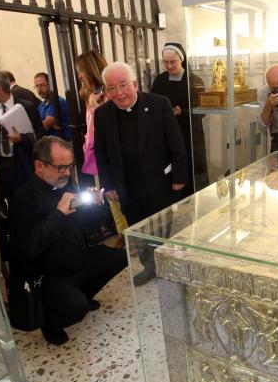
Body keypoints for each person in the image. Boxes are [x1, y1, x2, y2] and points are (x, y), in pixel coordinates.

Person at [9, 136, 127, 345]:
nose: (66, 173)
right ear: (39, 165)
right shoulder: (24, 199)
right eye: (60, 167)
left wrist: (97, 205)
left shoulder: (65, 184)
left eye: (69, 166)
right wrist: (58, 214)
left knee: (120, 257)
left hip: (79, 258)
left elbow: (87, 225)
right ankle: (51, 323)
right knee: (76, 310)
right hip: (50, 275)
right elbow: (26, 249)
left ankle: (81, 293)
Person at [94, 62, 188, 285]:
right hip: (126, 186)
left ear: (135, 84)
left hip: (160, 182)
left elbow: (176, 143)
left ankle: (171, 266)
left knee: (165, 228)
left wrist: (179, 177)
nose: (119, 93)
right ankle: (150, 266)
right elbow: (101, 152)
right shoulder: (102, 114)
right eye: (112, 88)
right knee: (139, 230)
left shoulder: (158, 104)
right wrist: (108, 184)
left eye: (123, 85)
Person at [75, 50, 128, 240]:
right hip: (99, 156)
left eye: (81, 71)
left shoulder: (110, 95)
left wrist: (96, 110)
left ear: (91, 70)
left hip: (114, 156)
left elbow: (113, 128)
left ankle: (129, 240)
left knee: (119, 198)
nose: (80, 76)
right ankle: (125, 237)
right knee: (112, 198)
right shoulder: (93, 95)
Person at [151, 42, 209, 197]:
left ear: (181, 60)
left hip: (190, 136)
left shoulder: (195, 81)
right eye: (166, 62)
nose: (169, 66)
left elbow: (203, 111)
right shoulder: (159, 81)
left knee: (192, 178)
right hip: (168, 137)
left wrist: (181, 112)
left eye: (173, 62)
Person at [0, 68, 44, 214]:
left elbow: (41, 136)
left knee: (30, 203)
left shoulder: (26, 106)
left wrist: (22, 138)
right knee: (13, 204)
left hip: (23, 163)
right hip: (3, 165)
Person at [34, 72, 71, 140]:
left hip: (64, 145)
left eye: (42, 85)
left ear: (50, 85)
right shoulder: (41, 106)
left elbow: (45, 125)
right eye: (36, 86)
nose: (39, 90)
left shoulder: (58, 102)